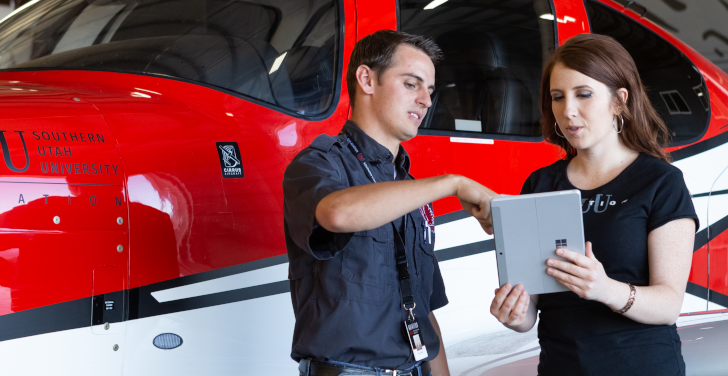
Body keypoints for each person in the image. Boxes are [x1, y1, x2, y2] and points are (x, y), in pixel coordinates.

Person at [283, 30, 499, 376]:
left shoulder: (410, 189)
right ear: (367, 79)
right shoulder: (318, 164)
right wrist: (452, 183)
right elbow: (337, 213)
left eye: (430, 90)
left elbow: (424, 310)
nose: (426, 101)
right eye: (412, 84)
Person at [487, 34, 699, 375]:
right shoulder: (539, 185)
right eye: (558, 97)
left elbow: (669, 305)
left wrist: (604, 289)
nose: (568, 110)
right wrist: (513, 313)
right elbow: (530, 312)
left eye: (583, 94)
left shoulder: (660, 182)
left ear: (619, 100)